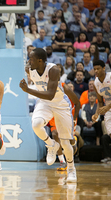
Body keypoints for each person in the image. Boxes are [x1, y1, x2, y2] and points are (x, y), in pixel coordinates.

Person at [19, 48, 77, 182]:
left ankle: (71, 169)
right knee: (36, 124)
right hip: (44, 103)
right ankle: (51, 145)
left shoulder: (53, 70)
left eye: (31, 59)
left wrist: (28, 90)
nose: (29, 61)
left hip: (60, 104)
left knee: (65, 142)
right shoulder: (30, 68)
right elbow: (46, 97)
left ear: (40, 61)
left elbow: (51, 95)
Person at [92, 60, 111, 163]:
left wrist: (108, 106)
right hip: (109, 109)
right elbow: (100, 102)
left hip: (109, 106)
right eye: (94, 69)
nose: (96, 71)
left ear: (104, 68)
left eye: (98, 68)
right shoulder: (96, 83)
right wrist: (96, 114)